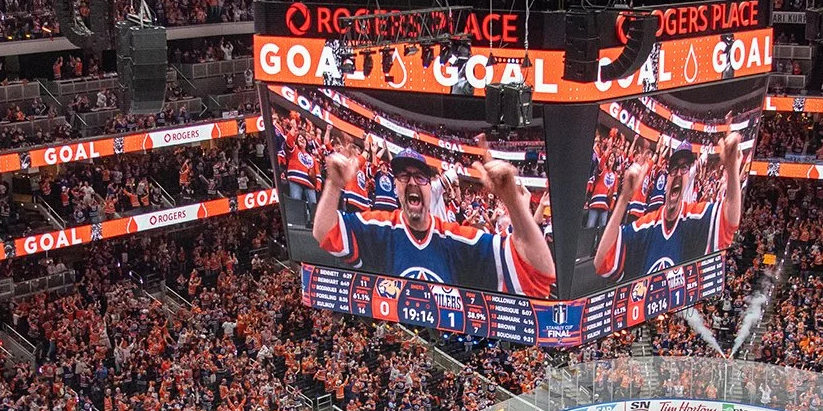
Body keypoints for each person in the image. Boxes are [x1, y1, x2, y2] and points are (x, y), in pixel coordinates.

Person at [310, 148, 555, 296]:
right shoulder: (379, 227)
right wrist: (334, 185)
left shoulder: (456, 238)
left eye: (420, 177)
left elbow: (541, 271)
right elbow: (323, 232)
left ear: (431, 187)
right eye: (404, 176)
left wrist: (512, 200)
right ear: (395, 186)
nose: (412, 182)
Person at [592, 132, 744, 281]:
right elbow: (601, 262)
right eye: (674, 168)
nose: (678, 173)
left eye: (684, 168)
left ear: (688, 178)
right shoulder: (647, 225)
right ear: (666, 181)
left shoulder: (696, 215)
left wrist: (732, 170)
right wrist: (624, 198)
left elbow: (730, 220)